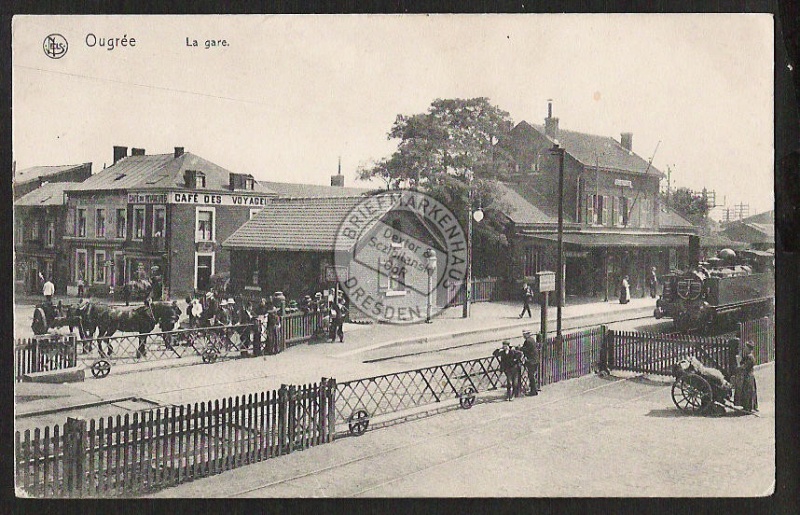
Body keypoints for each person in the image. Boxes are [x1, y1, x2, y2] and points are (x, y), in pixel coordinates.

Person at [734, 341, 758, 412]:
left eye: (745, 347)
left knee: (748, 392)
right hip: (747, 376)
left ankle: (749, 407)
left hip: (748, 376)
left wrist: (738, 363)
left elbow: (744, 367)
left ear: (749, 349)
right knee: (746, 392)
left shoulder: (750, 357)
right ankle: (748, 406)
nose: (744, 348)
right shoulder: (747, 356)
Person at [521, 330, 541, 396]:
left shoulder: (528, 341)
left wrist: (519, 348)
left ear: (527, 334)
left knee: (531, 376)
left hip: (531, 361)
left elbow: (526, 349)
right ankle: (535, 388)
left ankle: (533, 391)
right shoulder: (532, 339)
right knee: (533, 375)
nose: (523, 336)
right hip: (535, 360)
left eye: (524, 334)